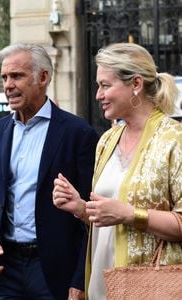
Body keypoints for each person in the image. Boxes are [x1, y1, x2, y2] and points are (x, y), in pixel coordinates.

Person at [52, 42, 182, 299]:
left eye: (105, 85)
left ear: (135, 84)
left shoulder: (174, 140)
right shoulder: (107, 140)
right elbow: (107, 219)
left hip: (150, 289)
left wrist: (130, 214)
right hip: (102, 284)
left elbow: (124, 215)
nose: (98, 95)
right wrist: (80, 208)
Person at [0, 43, 99, 300]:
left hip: (54, 271)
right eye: (4, 77)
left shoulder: (78, 134)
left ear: (43, 77)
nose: (8, 85)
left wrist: (80, 278)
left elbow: (91, 217)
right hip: (5, 268)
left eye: (17, 76)